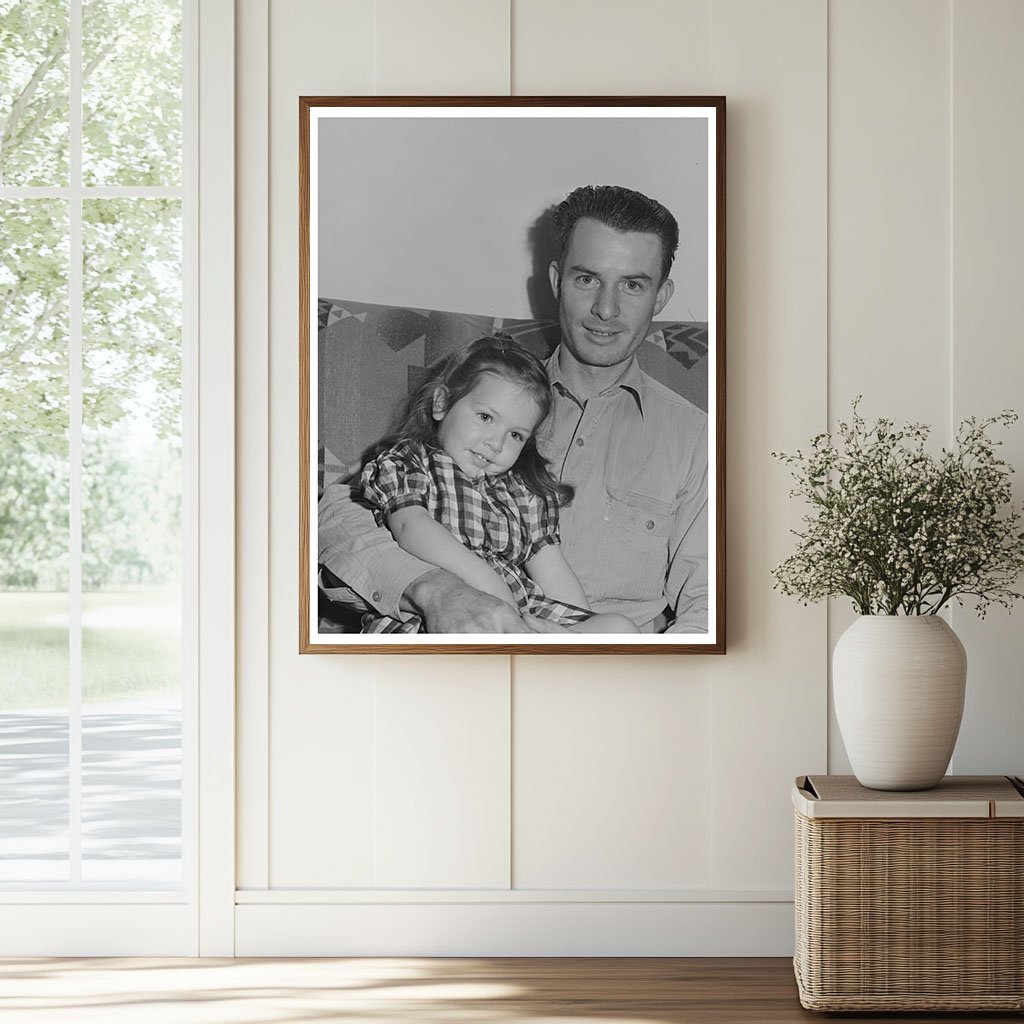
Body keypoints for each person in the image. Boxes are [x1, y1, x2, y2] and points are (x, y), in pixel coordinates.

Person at [318, 184, 708, 634]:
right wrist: (434, 590)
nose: (606, 308)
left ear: (660, 296)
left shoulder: (697, 438)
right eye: (587, 279)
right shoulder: (485, 394)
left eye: (633, 285)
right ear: (558, 281)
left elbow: (708, 605)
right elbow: (336, 518)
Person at [357, 336, 638, 634]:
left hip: (522, 615)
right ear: (442, 403)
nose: (496, 443)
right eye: (485, 417)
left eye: (515, 435)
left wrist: (575, 629)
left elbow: (553, 572)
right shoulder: (410, 461)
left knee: (618, 628)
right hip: (445, 612)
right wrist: (488, 585)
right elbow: (409, 528)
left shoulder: (522, 492)